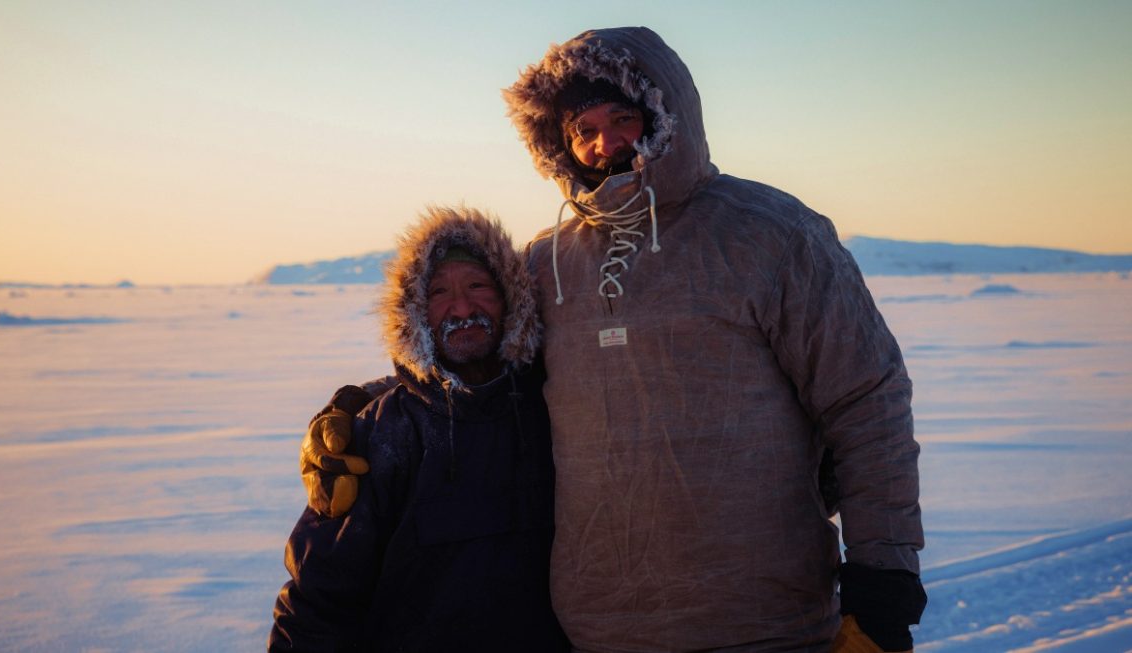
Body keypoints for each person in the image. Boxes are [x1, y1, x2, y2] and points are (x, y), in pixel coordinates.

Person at [301, 27, 926, 653]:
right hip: (597, 628)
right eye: (583, 130)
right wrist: (363, 416)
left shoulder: (771, 236)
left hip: (766, 622)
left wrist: (882, 583)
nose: (605, 144)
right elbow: (485, 377)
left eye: (623, 117)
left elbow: (867, 403)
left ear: (666, 113)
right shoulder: (547, 264)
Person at [269, 206, 568, 652]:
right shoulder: (385, 432)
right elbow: (321, 593)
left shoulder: (556, 409)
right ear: (414, 313)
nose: (462, 307)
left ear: (513, 298)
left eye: (478, 286)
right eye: (439, 292)